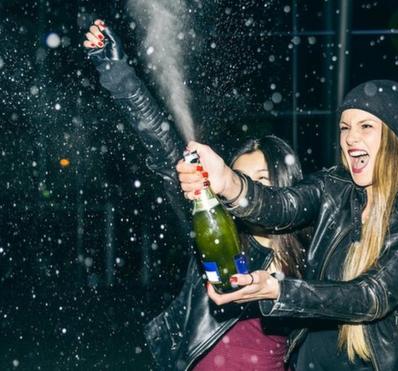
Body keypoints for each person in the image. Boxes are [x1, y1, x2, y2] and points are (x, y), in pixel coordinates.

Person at [83, 21, 307, 370]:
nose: (248, 191)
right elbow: (164, 148)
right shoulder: (217, 228)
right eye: (240, 180)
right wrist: (118, 74)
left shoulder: (312, 249)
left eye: (262, 179)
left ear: (286, 186)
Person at [176, 80, 398, 370]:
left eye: (365, 126)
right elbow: (280, 205)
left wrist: (280, 291)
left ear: (394, 139)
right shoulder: (331, 189)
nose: (351, 138)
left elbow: (369, 296)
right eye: (345, 128)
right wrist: (228, 182)